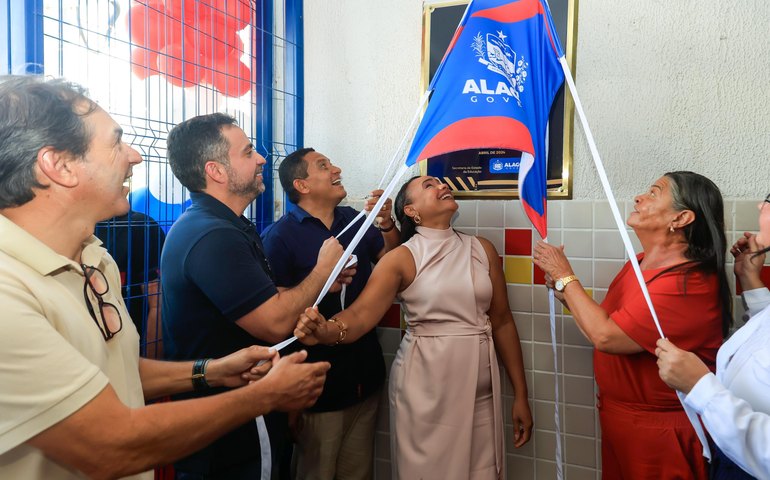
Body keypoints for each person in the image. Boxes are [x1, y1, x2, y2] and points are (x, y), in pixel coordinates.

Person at [0, 76, 330, 480]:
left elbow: (112, 370)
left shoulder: (93, 257)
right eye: (116, 142)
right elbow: (108, 445)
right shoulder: (7, 294)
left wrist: (211, 370)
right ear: (61, 166)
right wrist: (263, 396)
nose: (134, 156)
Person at [295, 175, 533, 480]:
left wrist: (520, 395)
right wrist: (325, 331)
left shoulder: (482, 250)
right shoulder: (401, 259)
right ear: (411, 211)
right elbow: (360, 316)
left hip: (481, 395)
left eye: (442, 183)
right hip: (426, 392)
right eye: (430, 185)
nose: (443, 186)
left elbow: (502, 321)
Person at [161, 115, 349, 479]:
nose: (262, 159)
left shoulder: (226, 225)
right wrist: (322, 270)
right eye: (248, 152)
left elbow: (255, 299)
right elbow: (274, 322)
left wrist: (319, 284)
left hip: (238, 416)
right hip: (228, 430)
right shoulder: (213, 235)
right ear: (216, 171)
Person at [533, 171, 731, 479]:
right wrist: (565, 293)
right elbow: (607, 330)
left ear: (681, 218)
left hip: (662, 432)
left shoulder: (688, 281)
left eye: (654, 193)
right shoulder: (637, 264)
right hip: (620, 421)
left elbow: (606, 337)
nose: (639, 198)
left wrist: (565, 276)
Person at [261, 148, 400, 480]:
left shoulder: (354, 219)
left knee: (358, 472)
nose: (336, 168)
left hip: (365, 376)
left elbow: (392, 260)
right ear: (302, 185)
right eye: (323, 165)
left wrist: (387, 223)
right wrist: (321, 280)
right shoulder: (279, 237)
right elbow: (271, 311)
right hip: (315, 387)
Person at [656, 194, 770, 479]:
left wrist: (700, 387)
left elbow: (607, 336)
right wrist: (751, 282)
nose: (760, 206)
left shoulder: (685, 280)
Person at [96, 210, 166, 358]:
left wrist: (148, 367)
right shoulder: (67, 228)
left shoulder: (141, 226)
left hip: (130, 350)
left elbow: (157, 305)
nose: (127, 188)